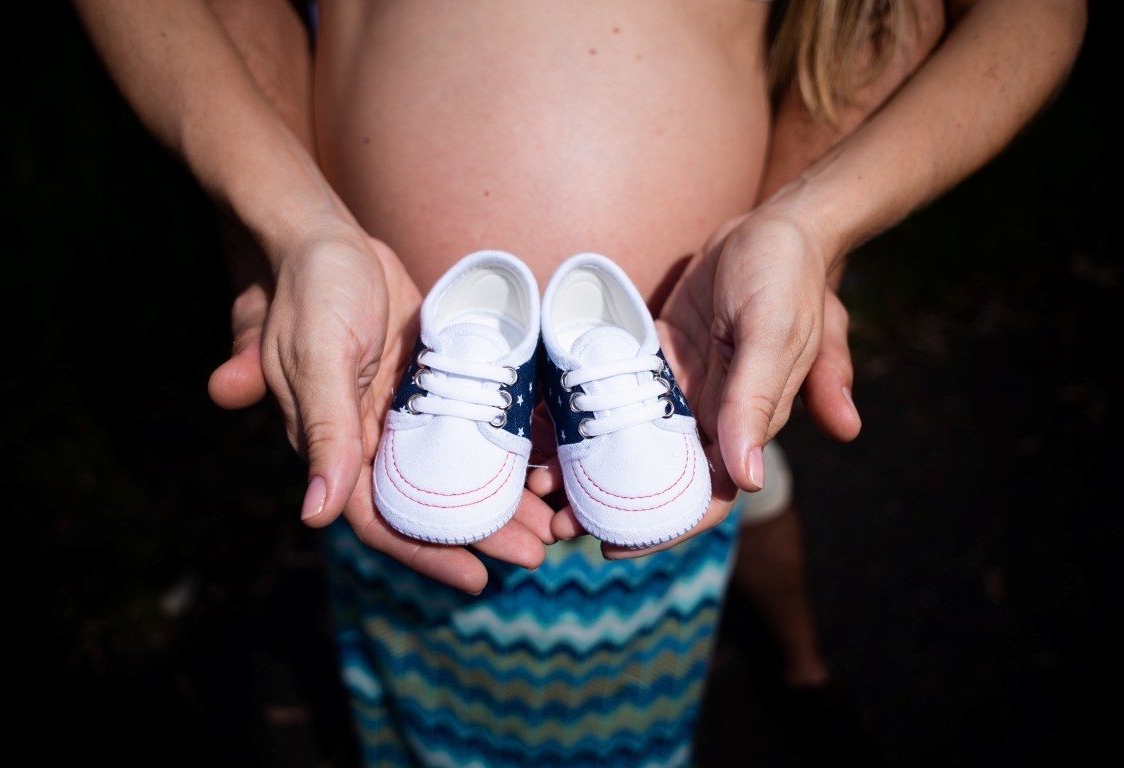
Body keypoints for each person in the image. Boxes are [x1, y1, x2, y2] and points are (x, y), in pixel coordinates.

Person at [72, 0, 1087, 765]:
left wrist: (814, 224)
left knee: (717, 545)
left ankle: (800, 664)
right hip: (396, 398)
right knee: (438, 702)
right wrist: (278, 229)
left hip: (684, 383)